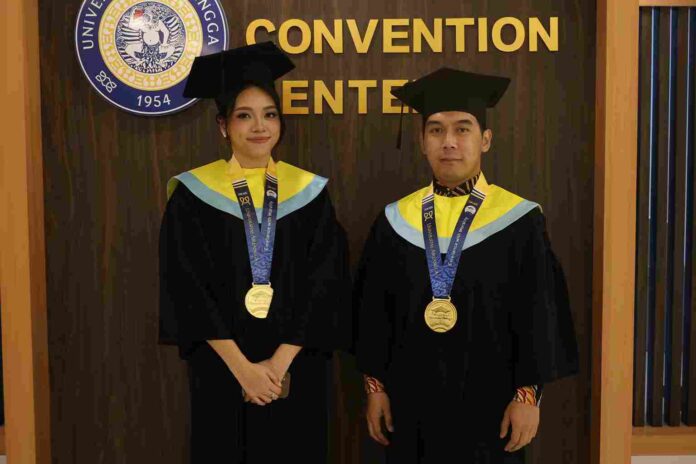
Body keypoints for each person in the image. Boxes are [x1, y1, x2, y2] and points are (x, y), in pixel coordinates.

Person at [354, 67, 579, 463]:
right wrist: (376, 389)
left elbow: (539, 313)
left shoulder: (519, 221)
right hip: (410, 410)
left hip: (493, 413)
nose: (449, 142)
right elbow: (373, 314)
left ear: (485, 139)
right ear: (423, 142)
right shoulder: (394, 221)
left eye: (463, 129)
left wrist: (528, 397)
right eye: (436, 130)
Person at [159, 41, 351, 463]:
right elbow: (187, 288)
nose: (259, 126)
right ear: (223, 126)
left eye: (269, 114)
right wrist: (244, 370)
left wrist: (277, 367)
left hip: (296, 370)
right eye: (244, 116)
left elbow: (326, 283)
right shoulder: (192, 195)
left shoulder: (310, 193)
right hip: (222, 371)